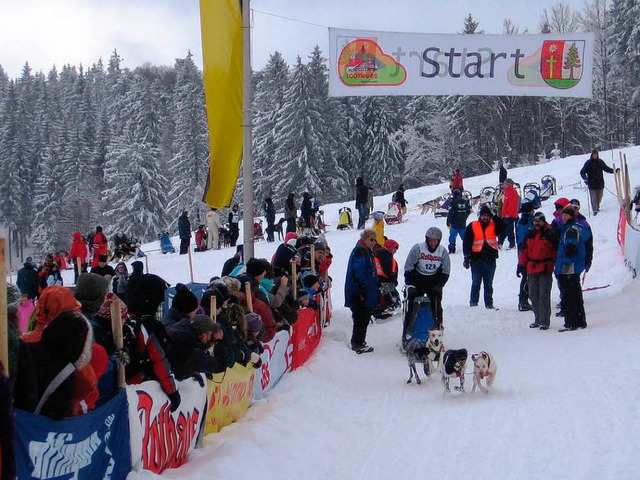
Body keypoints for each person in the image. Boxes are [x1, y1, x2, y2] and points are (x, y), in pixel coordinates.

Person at [403, 227, 451, 330]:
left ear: (439, 241)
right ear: (427, 239)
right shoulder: (417, 249)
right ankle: (409, 328)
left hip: (434, 280)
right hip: (418, 279)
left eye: (435, 241)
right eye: (430, 240)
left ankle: (437, 327)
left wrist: (439, 285)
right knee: (413, 304)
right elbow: (408, 268)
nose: (432, 243)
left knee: (436, 304)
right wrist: (410, 285)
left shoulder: (442, 252)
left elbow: (446, 271)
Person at [518, 212, 558, 330]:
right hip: (532, 267)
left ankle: (544, 320)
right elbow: (524, 251)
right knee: (533, 294)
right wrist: (521, 265)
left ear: (543, 221)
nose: (536, 223)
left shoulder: (550, 233)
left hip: (545, 267)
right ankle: (538, 318)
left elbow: (556, 251)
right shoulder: (530, 233)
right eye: (535, 221)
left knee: (544, 295)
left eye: (539, 221)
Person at [462, 205, 507, 309]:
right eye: (484, 215)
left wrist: (494, 216)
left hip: (490, 259)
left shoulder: (493, 224)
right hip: (476, 259)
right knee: (476, 283)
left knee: (488, 284)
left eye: (487, 215)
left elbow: (504, 227)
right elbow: (467, 243)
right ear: (480, 216)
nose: (485, 218)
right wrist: (467, 257)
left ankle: (489, 304)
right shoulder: (472, 225)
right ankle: (473, 304)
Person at [554, 206, 590, 331]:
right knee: (576, 294)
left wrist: (566, 265)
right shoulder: (575, 228)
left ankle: (571, 322)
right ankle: (580, 320)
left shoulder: (571, 230)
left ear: (571, 216)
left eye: (566, 216)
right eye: (562, 216)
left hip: (570, 268)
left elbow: (571, 249)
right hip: (575, 267)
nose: (563, 218)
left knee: (569, 296)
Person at [344, 229, 379, 353]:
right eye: (371, 239)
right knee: (361, 317)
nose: (373, 242)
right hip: (358, 292)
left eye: (375, 240)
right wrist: (363, 289)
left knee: (364, 317)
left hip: (363, 292)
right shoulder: (361, 251)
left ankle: (360, 341)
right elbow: (359, 272)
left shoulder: (365, 251)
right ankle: (357, 343)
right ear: (364, 238)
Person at [167, 314, 227, 380]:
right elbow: (221, 365)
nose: (212, 344)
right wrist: (218, 341)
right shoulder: (189, 352)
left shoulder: (178, 333)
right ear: (204, 336)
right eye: (211, 336)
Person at [579, 148, 615, 216]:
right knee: (593, 198)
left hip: (600, 183)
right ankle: (595, 210)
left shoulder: (600, 162)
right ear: (592, 155)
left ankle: (597, 206)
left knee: (600, 197)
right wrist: (585, 179)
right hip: (592, 184)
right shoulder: (588, 163)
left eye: (596, 154)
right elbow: (582, 172)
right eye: (594, 154)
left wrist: (614, 171)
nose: (595, 156)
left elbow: (606, 169)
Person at [515, 201, 536, 312]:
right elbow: (523, 240)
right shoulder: (524, 222)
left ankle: (524, 299)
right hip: (526, 254)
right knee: (526, 277)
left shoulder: (525, 221)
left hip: (526, 253)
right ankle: (523, 301)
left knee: (527, 277)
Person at [446, 189, 471, 254]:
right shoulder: (465, 202)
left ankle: (452, 249)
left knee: (452, 237)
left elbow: (451, 212)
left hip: (454, 224)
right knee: (464, 237)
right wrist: (464, 217)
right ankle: (468, 248)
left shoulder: (453, 202)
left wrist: (448, 222)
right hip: (462, 223)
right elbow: (468, 211)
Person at [498, 178, 520, 250]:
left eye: (505, 183)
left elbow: (513, 205)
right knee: (504, 229)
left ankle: (512, 244)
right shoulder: (507, 192)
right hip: (506, 215)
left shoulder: (513, 192)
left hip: (510, 215)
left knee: (509, 230)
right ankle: (500, 243)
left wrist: (508, 214)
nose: (503, 185)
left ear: (508, 185)